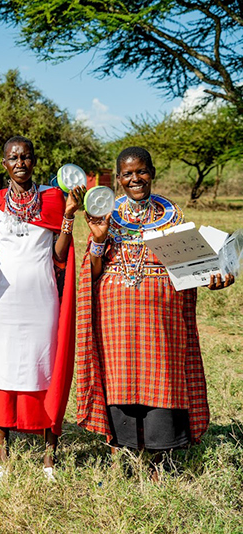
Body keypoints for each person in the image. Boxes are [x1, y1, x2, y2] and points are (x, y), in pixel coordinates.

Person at [76, 146, 234, 474]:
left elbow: (191, 265)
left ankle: (163, 456)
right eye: (127, 174)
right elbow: (91, 271)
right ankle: (127, 455)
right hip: (116, 316)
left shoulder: (170, 214)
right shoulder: (107, 213)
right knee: (121, 378)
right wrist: (99, 239)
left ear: (152, 172)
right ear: (118, 179)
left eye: (141, 171)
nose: (135, 179)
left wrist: (214, 277)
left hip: (162, 317)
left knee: (163, 376)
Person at [0, 136, 82, 482]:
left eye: (26, 157)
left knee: (45, 369)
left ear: (35, 161)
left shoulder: (53, 199)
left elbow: (60, 256)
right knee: (0, 371)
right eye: (13, 157)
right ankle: (3, 457)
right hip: (1, 303)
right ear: (3, 163)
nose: (20, 162)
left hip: (41, 300)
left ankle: (49, 459)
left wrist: (67, 218)